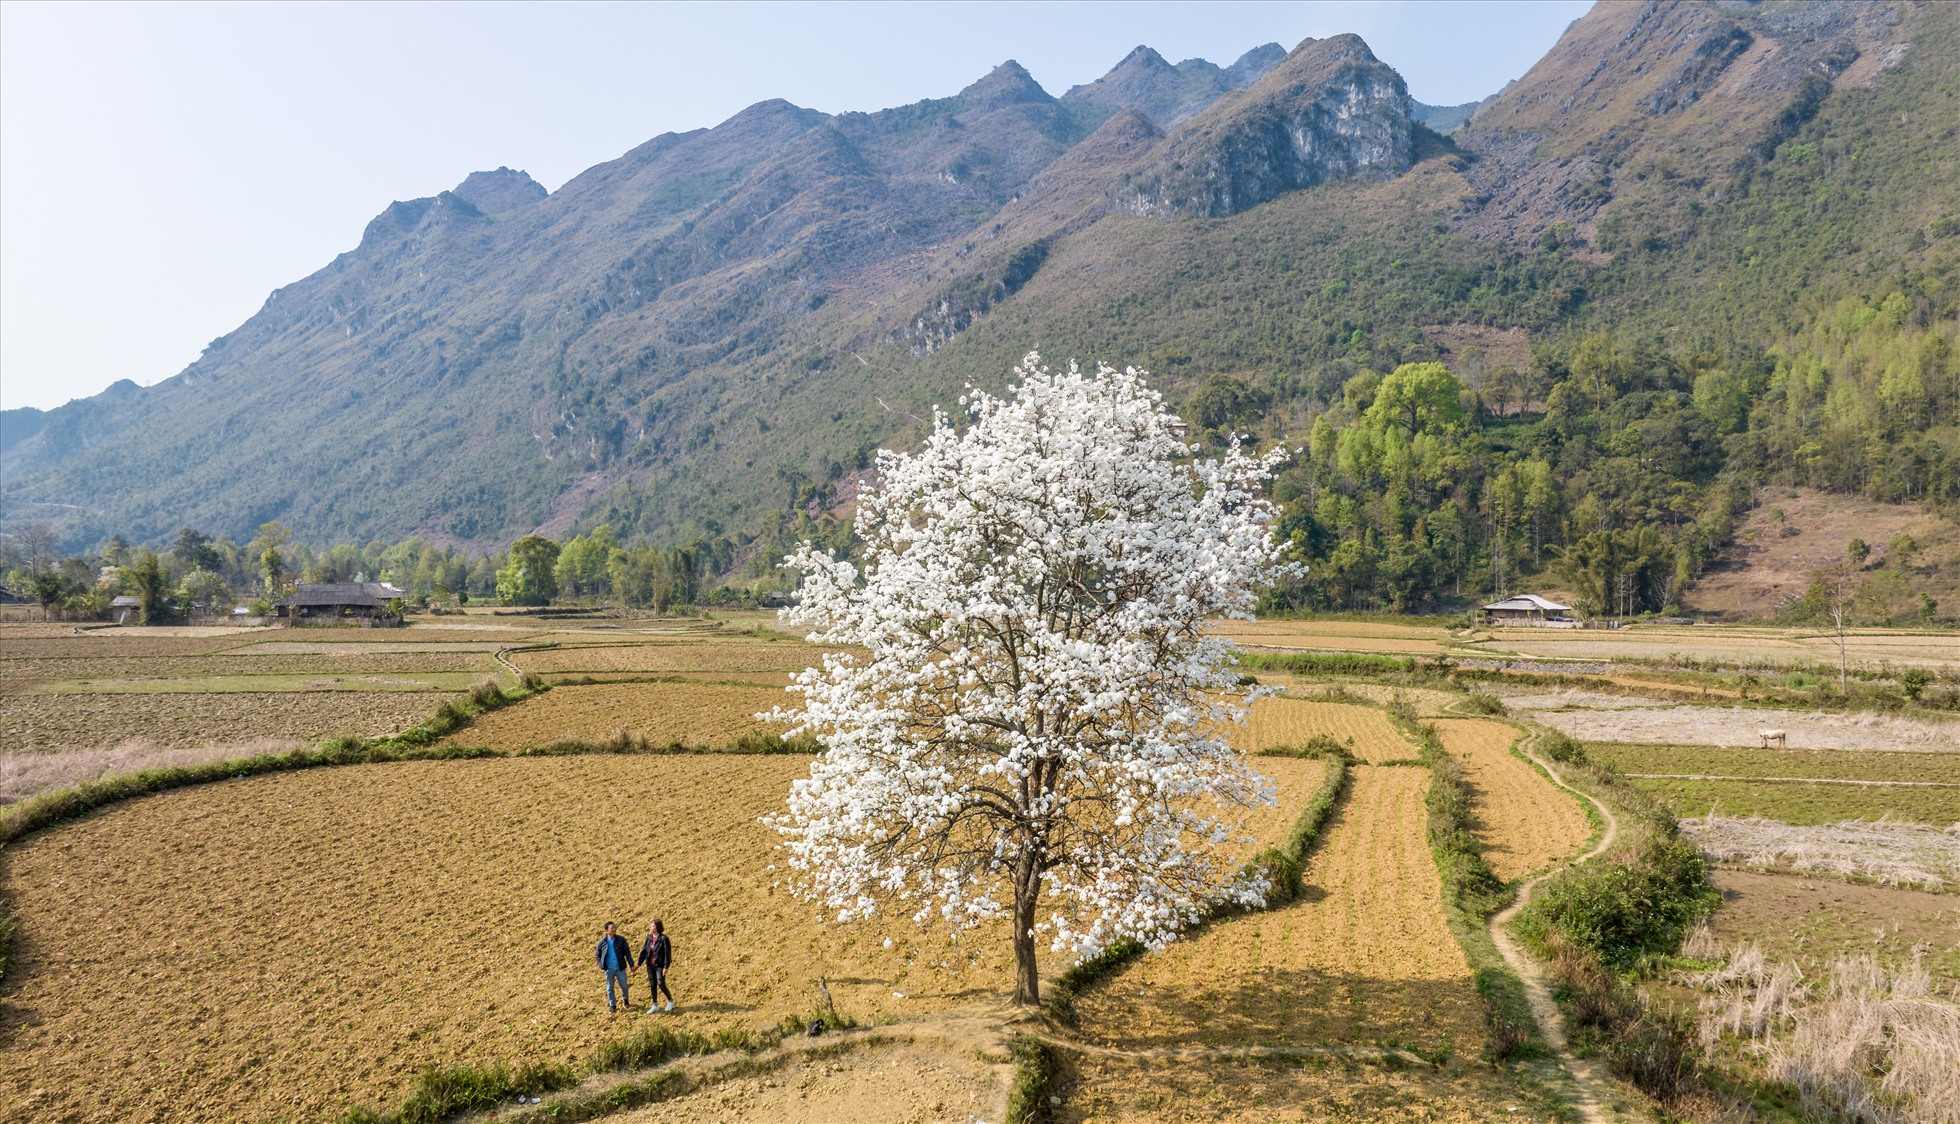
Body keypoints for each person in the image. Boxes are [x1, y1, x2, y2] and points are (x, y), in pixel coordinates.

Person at [595, 921, 633, 1014]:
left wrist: (631, 964)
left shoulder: (621, 940)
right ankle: (613, 1005)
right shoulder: (602, 942)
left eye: (614, 927)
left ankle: (625, 999)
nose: (614, 929)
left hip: (620, 967)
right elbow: (597, 955)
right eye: (612, 928)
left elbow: (627, 952)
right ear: (607, 931)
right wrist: (601, 965)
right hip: (609, 969)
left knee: (624, 986)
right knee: (610, 988)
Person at [638, 918, 674, 1013]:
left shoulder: (663, 939)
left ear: (657, 927)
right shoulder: (649, 938)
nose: (651, 927)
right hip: (650, 965)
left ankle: (670, 1001)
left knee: (661, 984)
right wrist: (638, 964)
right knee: (653, 984)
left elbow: (667, 954)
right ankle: (655, 1004)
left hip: (659, 965)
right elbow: (644, 951)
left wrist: (666, 966)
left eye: (653, 926)